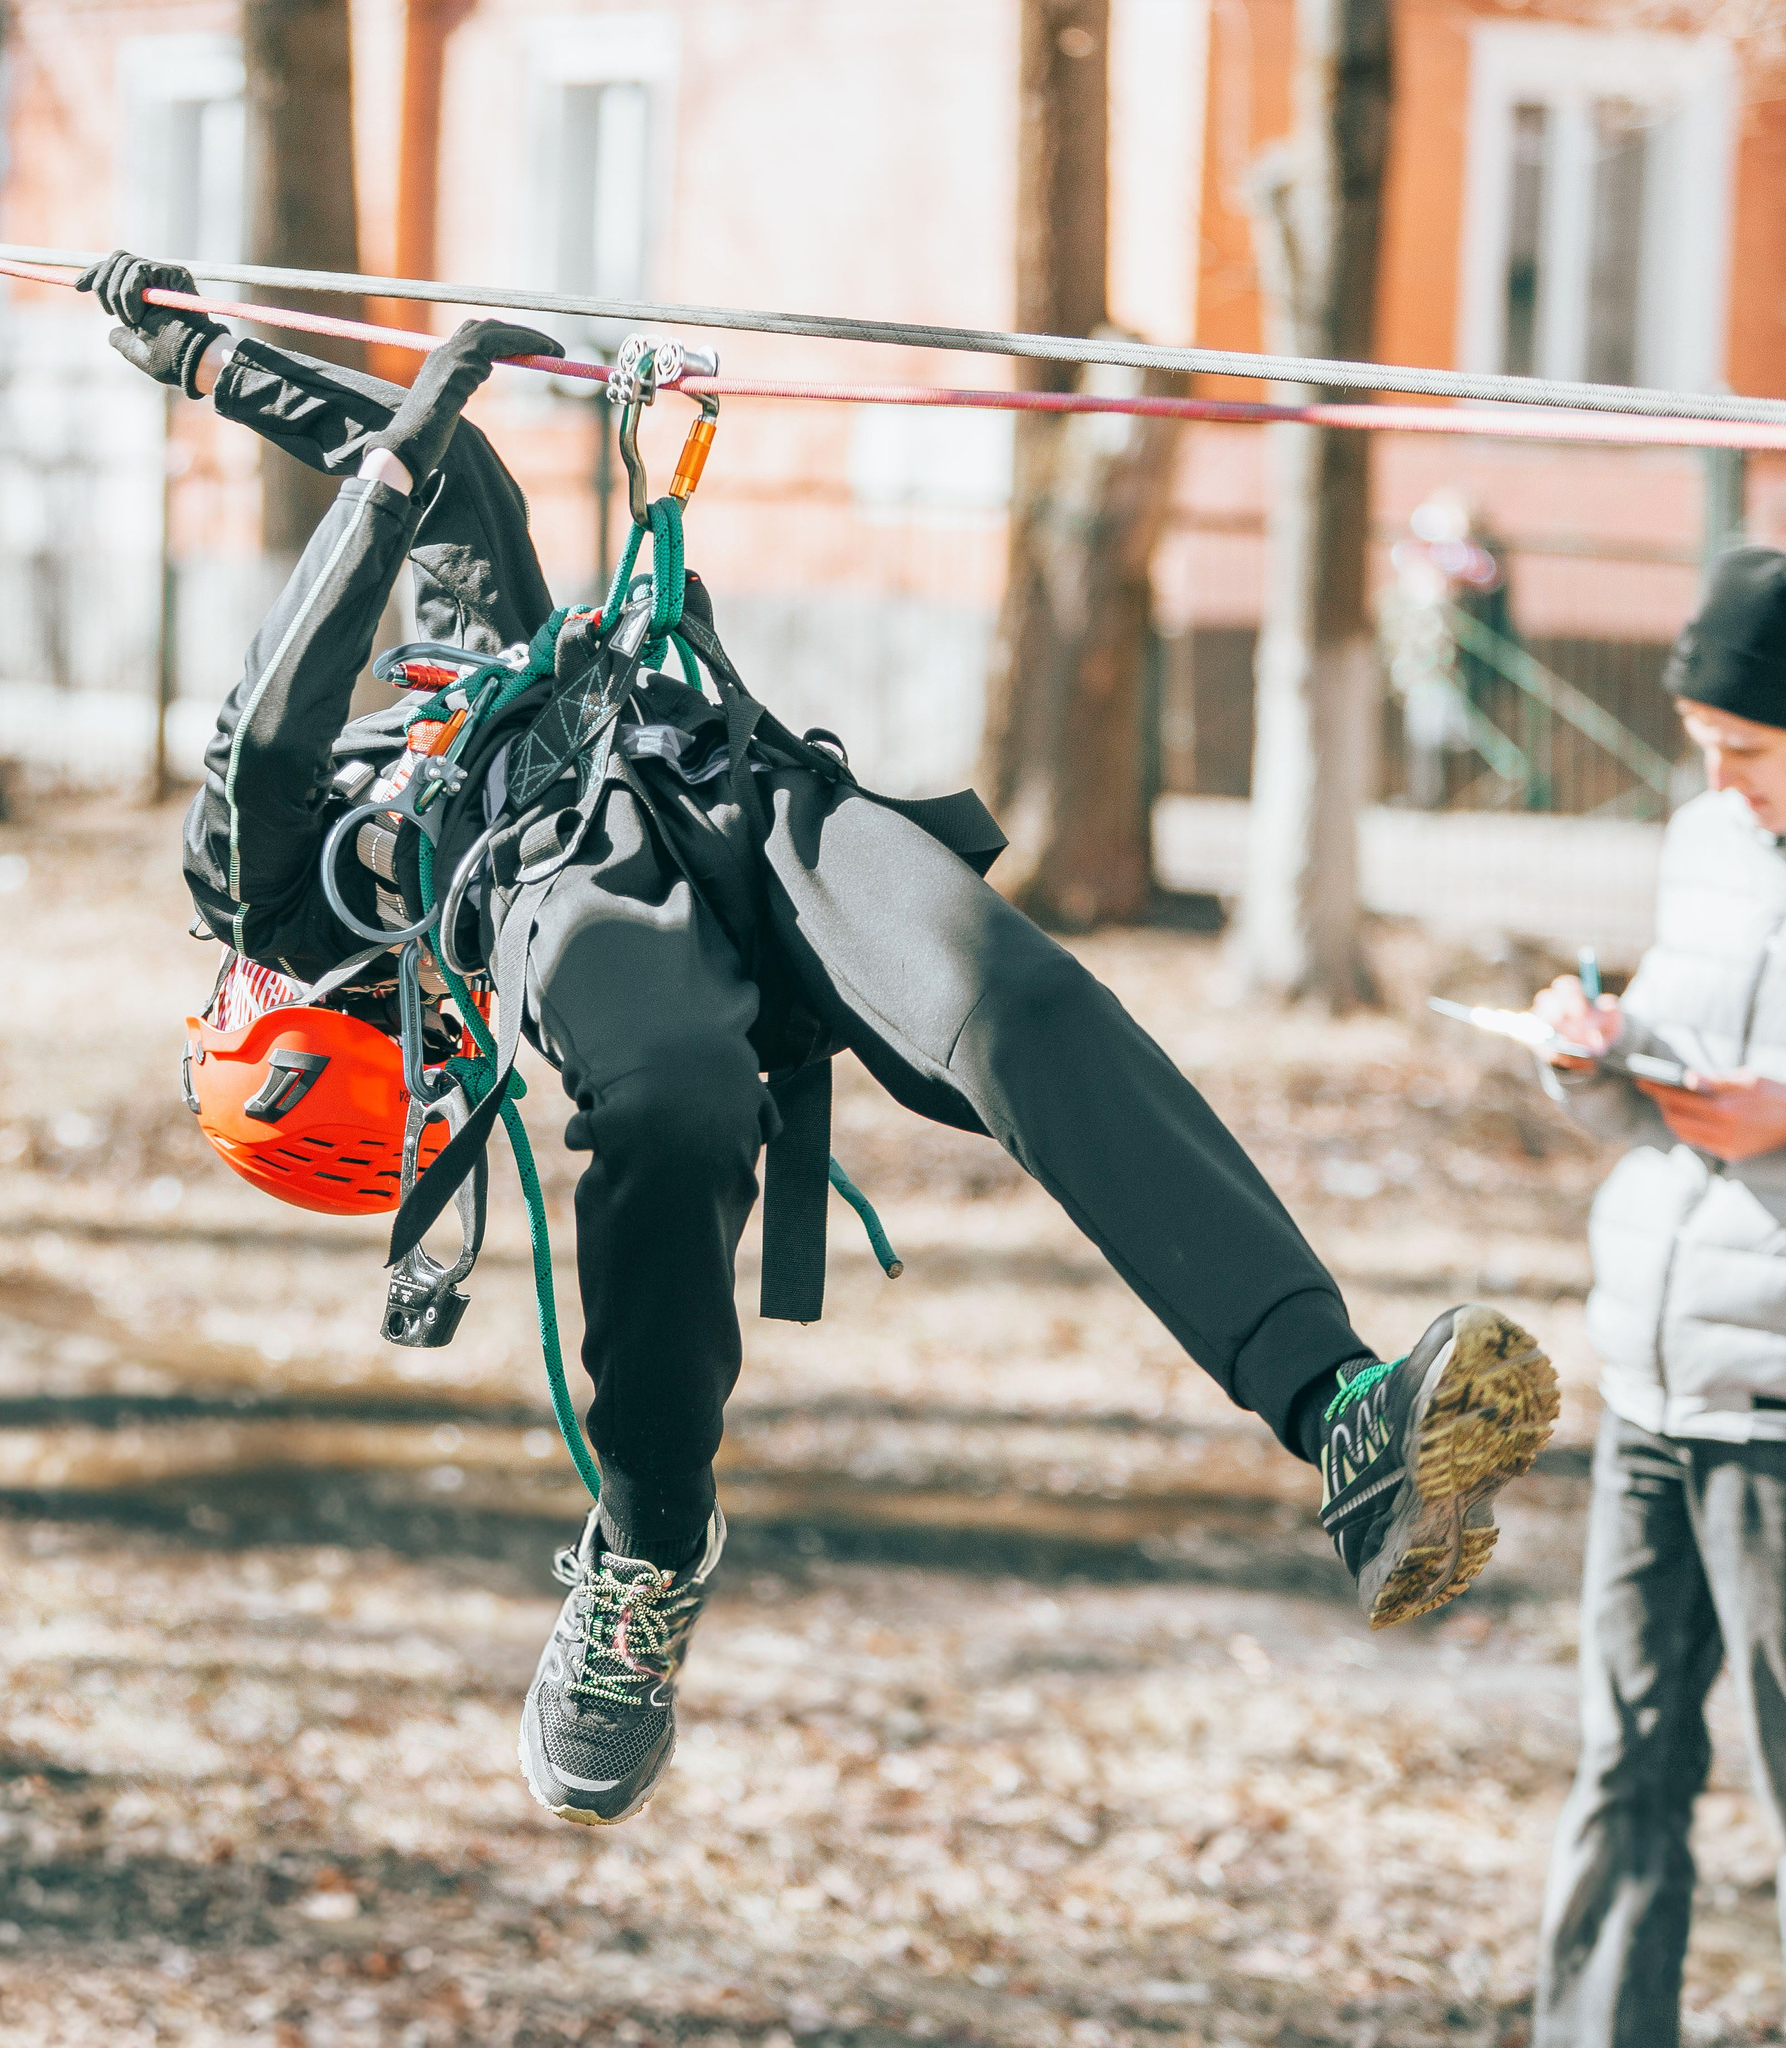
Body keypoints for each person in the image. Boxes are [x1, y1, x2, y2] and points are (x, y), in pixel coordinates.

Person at [84, 253, 1561, 1828]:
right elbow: (276, 710)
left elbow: (439, 493)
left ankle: (1341, 1417)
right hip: (562, 886)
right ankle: (645, 1554)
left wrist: (197, 353)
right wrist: (392, 443)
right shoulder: (292, 900)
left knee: (1024, 1005)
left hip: (722, 784)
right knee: (668, 1094)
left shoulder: (301, 832)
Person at [1529, 545, 1786, 2047]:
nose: (1725, 784)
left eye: (1748, 754)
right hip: (1651, 1377)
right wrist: (1593, 1062)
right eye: (1706, 755)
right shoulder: (1705, 846)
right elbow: (1656, 1102)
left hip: (1776, 1409)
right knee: (1623, 1761)